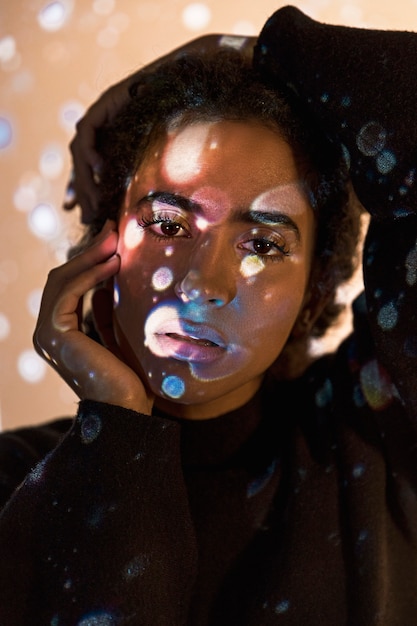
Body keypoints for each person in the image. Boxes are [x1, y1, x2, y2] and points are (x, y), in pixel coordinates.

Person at [1, 6, 417, 625]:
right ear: (103, 239)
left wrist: (244, 50)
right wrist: (115, 429)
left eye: (263, 244)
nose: (200, 283)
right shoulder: (14, 483)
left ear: (315, 284)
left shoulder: (375, 430)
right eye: (168, 224)